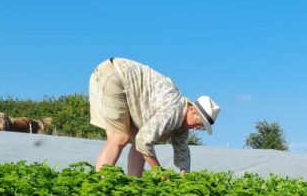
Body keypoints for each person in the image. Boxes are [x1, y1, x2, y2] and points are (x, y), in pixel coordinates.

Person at [89, 57, 220, 176]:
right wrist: (161, 174)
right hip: (114, 76)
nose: (197, 128)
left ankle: (134, 186)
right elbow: (144, 141)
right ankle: (99, 185)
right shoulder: (174, 110)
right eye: (199, 122)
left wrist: (185, 181)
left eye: (202, 127)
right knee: (119, 138)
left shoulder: (182, 124)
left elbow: (182, 153)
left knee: (139, 143)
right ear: (192, 109)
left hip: (124, 86)